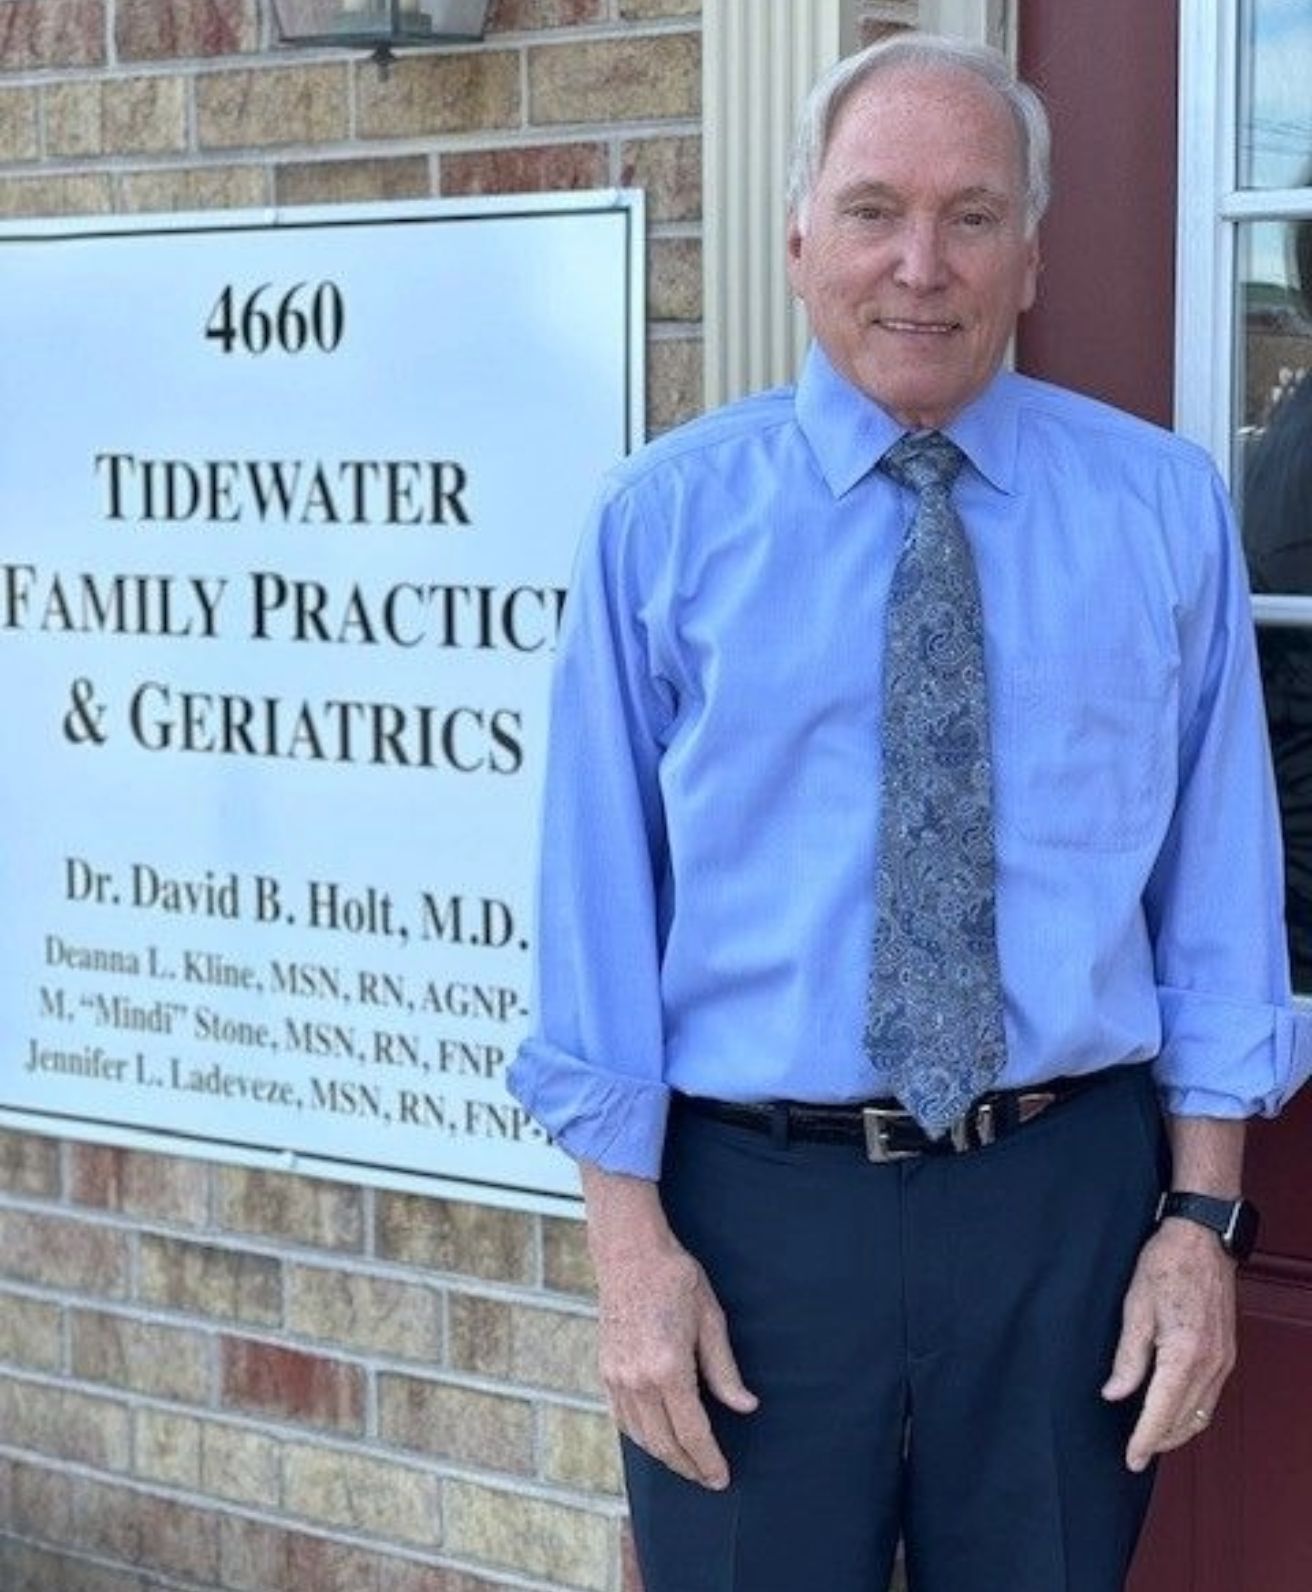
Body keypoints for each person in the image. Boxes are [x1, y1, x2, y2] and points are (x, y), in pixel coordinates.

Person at [508, 32, 1310, 1592]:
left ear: (1031, 251)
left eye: (971, 215)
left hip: (1064, 1207)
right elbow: (598, 907)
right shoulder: (664, 525)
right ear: (800, 233)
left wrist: (1200, 1229)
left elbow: (1217, 892)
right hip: (749, 1217)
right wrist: (627, 1255)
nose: (919, 267)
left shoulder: (1160, 513)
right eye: (875, 210)